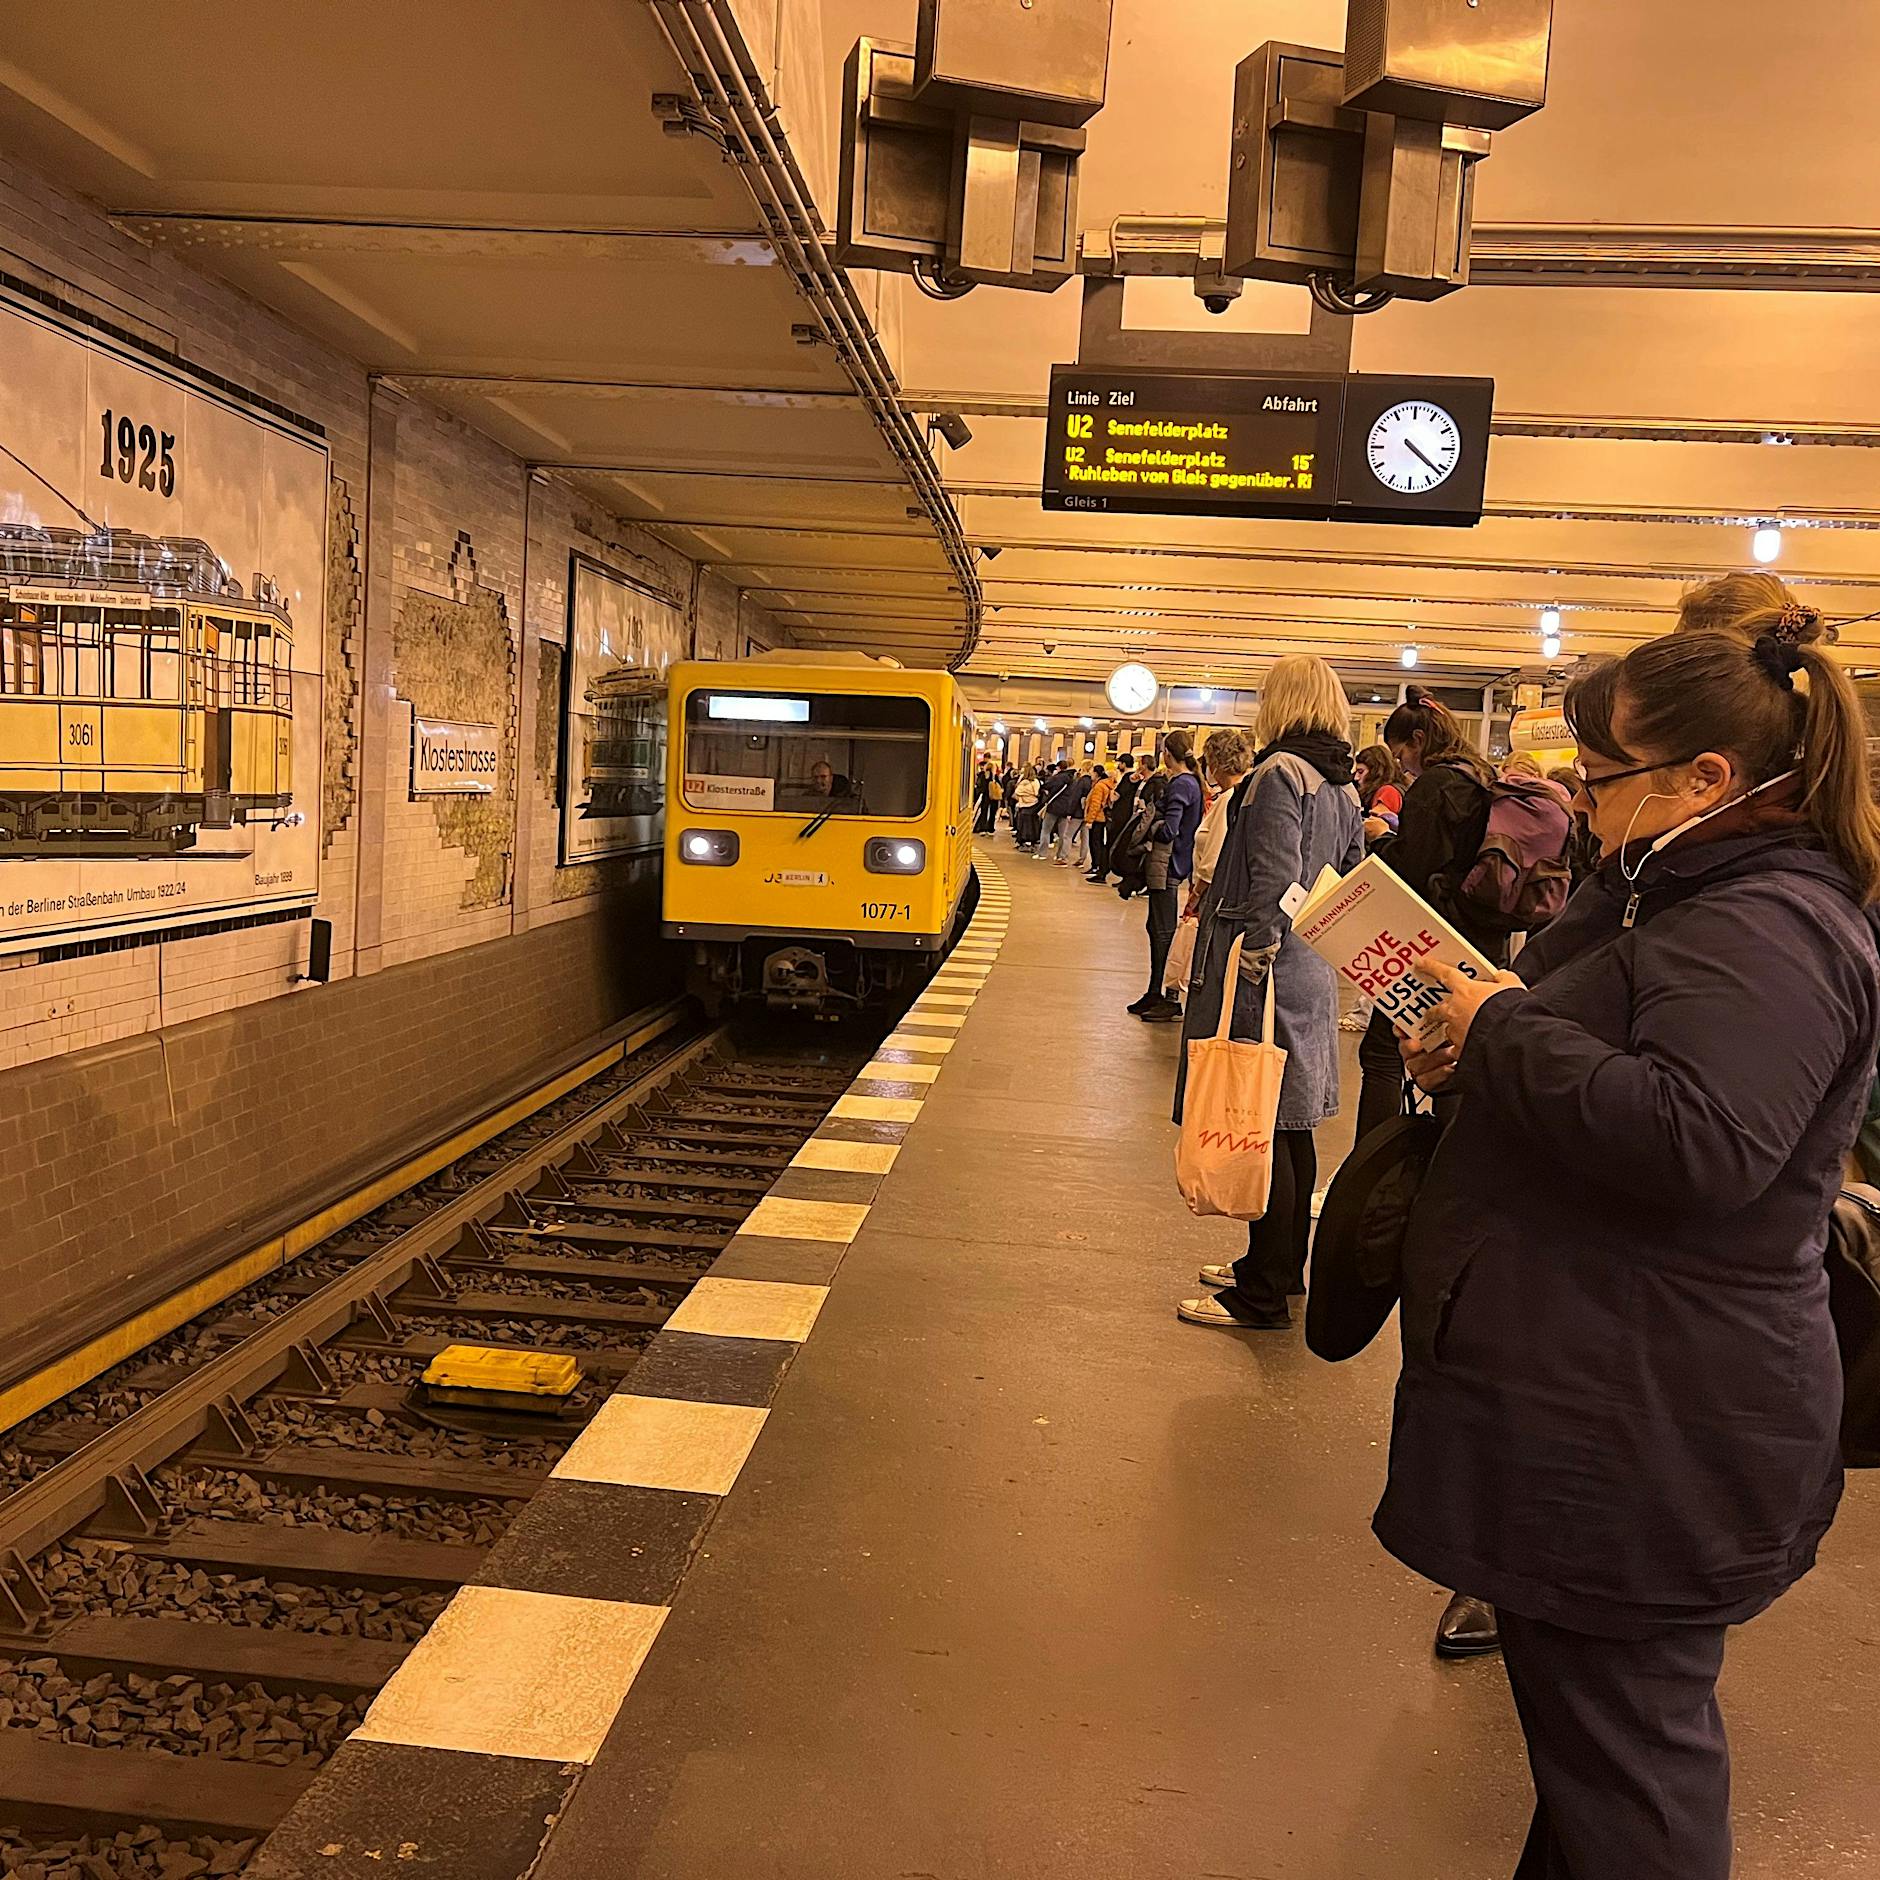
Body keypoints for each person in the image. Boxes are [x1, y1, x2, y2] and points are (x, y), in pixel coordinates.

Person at [1383, 628, 1880, 1880]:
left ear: (1703, 780)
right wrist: (1480, 1041)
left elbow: (1699, 1140)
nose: (1582, 802)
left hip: (1648, 1414)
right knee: (1599, 1749)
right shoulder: (1688, 893)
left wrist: (1497, 1026)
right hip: (1619, 1389)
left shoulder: (1761, 925)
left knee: (1627, 1762)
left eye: (1602, 775)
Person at [1173, 662, 1364, 1328]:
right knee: (1292, 1123)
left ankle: (1260, 1296)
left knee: (1263, 1121)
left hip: (1269, 964)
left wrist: (1254, 952)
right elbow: (1348, 873)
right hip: (1312, 962)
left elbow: (1276, 876)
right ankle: (1278, 1271)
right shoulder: (1341, 783)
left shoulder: (1279, 773)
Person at [1351, 689, 1500, 1149]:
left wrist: (1380, 838)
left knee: (1381, 1054)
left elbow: (1414, 868)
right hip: (1478, 939)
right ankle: (1448, 1170)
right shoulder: (1481, 775)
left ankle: (1368, 1170)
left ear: (1419, 738)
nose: (1404, 767)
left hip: (1429, 943)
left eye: (1402, 755)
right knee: (1456, 1056)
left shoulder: (1436, 784)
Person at [1131, 734, 1203, 1020]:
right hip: (1177, 866)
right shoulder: (1191, 782)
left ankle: (1167, 996)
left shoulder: (1181, 784)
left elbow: (1169, 830)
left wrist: (1150, 827)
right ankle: (1154, 992)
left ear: (1167, 754)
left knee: (1162, 933)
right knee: (1157, 929)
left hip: (1168, 866)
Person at [1095, 757, 1141, 882]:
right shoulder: (1136, 779)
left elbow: (1115, 796)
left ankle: (1103, 872)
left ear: (1124, 764)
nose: (1117, 765)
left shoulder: (1127, 777)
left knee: (1111, 844)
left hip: (1120, 816)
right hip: (1128, 816)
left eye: (1119, 763)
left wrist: (1111, 793)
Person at [1355, 742, 1404, 844]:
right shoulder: (1398, 788)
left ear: (1375, 771)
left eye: (1361, 772)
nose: (1356, 778)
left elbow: (1371, 828)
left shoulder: (1387, 792)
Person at [1055, 764, 1095, 868]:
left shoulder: (1081, 781)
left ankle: (1063, 858)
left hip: (1077, 813)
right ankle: (1082, 859)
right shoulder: (1093, 782)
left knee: (1068, 835)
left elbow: (1075, 797)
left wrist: (1070, 812)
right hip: (1087, 813)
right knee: (1085, 837)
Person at [1081, 764, 1115, 880]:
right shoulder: (1106, 784)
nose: (1090, 774)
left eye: (1091, 772)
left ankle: (1096, 865)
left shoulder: (1099, 786)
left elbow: (1095, 804)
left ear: (1096, 773)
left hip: (1097, 818)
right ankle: (1098, 865)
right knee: (1098, 842)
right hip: (1102, 818)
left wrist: (1090, 820)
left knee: (1095, 842)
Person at [1012, 764, 1041, 849]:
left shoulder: (1022, 782)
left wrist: (1023, 793)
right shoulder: (1035, 782)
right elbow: (1036, 793)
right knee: (1031, 824)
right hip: (1033, 804)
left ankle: (1022, 840)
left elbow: (1017, 792)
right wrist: (1030, 793)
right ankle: (1031, 841)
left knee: (1022, 824)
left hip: (1022, 804)